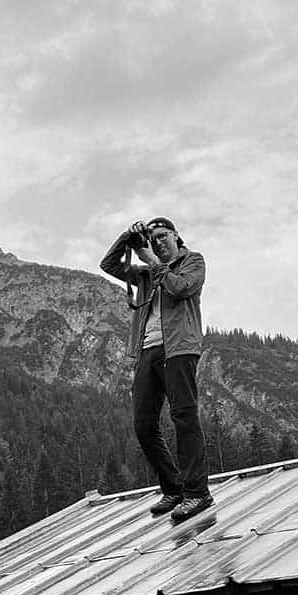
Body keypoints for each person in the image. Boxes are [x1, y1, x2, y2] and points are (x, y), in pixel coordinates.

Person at [100, 217, 213, 522]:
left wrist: (150, 258)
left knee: (184, 417)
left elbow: (180, 288)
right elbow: (108, 265)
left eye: (164, 235)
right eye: (153, 238)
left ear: (177, 236)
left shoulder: (193, 261)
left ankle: (198, 493)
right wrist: (127, 236)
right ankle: (174, 488)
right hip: (147, 352)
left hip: (180, 348)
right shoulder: (145, 275)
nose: (159, 241)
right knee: (143, 423)